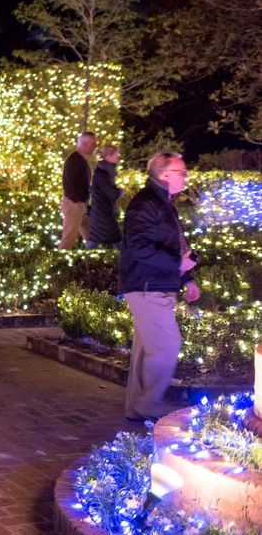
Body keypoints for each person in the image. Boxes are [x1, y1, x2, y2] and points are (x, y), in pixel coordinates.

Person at [120, 152, 199, 422]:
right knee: (167, 344)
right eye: (182, 171)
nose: (186, 176)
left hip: (154, 282)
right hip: (147, 284)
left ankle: (138, 407)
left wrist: (185, 276)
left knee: (147, 348)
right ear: (164, 174)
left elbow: (173, 243)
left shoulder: (162, 203)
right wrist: (177, 263)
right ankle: (149, 405)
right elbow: (139, 246)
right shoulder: (146, 204)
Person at [60, 131, 97, 249]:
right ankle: (59, 263)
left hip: (79, 204)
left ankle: (94, 256)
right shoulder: (74, 160)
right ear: (84, 144)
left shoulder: (81, 161)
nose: (94, 147)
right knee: (68, 239)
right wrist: (76, 201)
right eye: (93, 144)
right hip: (74, 204)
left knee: (92, 235)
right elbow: (68, 183)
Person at [87, 144, 123, 250]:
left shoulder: (104, 171)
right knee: (116, 239)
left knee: (96, 240)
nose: (118, 156)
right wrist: (120, 191)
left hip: (101, 213)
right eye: (116, 154)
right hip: (103, 214)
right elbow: (112, 194)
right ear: (109, 156)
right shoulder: (103, 173)